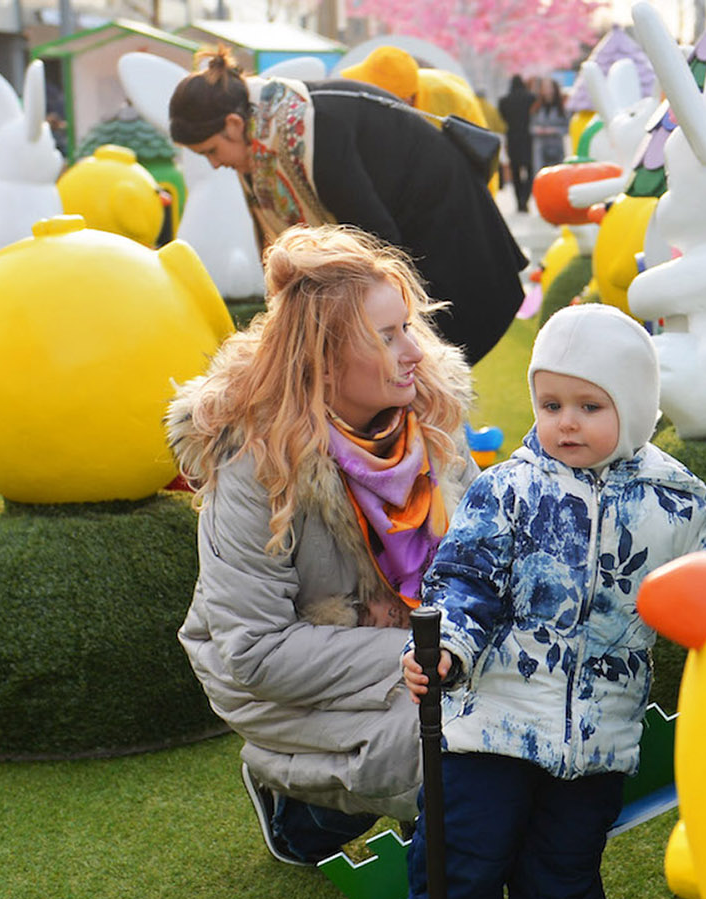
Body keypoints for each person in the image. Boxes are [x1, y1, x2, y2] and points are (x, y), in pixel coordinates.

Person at [391, 304, 706, 899]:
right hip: (492, 721)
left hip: (596, 732)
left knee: (563, 865)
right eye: (550, 405)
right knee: (463, 855)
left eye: (590, 406)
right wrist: (446, 650)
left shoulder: (677, 502)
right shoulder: (509, 489)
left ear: (633, 409)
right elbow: (464, 578)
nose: (565, 423)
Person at [166, 224, 478, 865]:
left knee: (506, 700)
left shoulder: (431, 413)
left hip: (415, 641)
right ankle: (303, 810)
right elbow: (253, 651)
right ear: (325, 361)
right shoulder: (256, 457)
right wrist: (421, 653)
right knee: (446, 737)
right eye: (386, 337)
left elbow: (475, 553)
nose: (413, 352)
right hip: (275, 679)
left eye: (408, 328)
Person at [167, 47, 525, 366]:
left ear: (233, 124)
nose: (215, 164)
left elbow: (376, 249)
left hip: (447, 237)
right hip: (411, 235)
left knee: (424, 375)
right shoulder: (269, 131)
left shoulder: (311, 133)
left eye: (211, 151)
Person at [498, 75, 536, 214]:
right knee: (530, 169)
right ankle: (525, 199)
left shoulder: (504, 101)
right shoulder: (530, 98)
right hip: (527, 137)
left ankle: (518, 200)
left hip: (512, 137)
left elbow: (502, 117)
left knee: (515, 170)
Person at [531, 77, 569, 175]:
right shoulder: (537, 107)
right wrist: (538, 130)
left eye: (549, 88)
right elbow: (531, 127)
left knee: (557, 174)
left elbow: (567, 127)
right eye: (545, 88)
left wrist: (553, 130)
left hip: (556, 147)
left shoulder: (562, 108)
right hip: (541, 147)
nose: (547, 91)